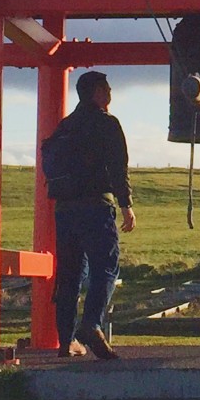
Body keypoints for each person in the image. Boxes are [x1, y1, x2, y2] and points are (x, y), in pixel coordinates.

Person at [46, 70, 135, 359]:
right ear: (97, 92)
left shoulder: (64, 126)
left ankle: (66, 342)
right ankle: (92, 325)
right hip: (96, 206)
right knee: (106, 267)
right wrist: (126, 205)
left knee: (69, 274)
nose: (110, 93)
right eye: (107, 87)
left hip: (64, 209)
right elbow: (118, 167)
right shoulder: (106, 124)